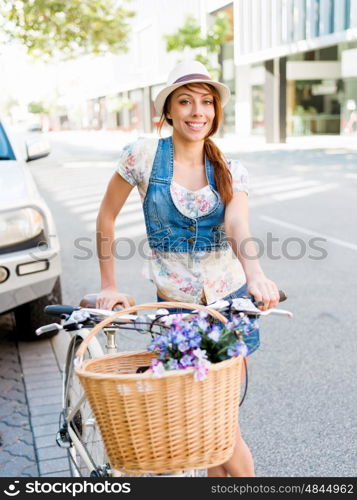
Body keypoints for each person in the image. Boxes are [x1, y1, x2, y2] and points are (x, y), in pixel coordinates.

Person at [96, 60, 280, 477]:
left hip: (230, 307)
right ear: (169, 112)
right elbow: (106, 217)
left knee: (220, 426)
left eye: (206, 103)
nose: (197, 112)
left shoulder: (230, 169)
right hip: (177, 310)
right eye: (186, 102)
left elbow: (237, 225)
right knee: (211, 426)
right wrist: (109, 285)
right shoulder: (142, 155)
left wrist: (255, 276)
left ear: (215, 112)